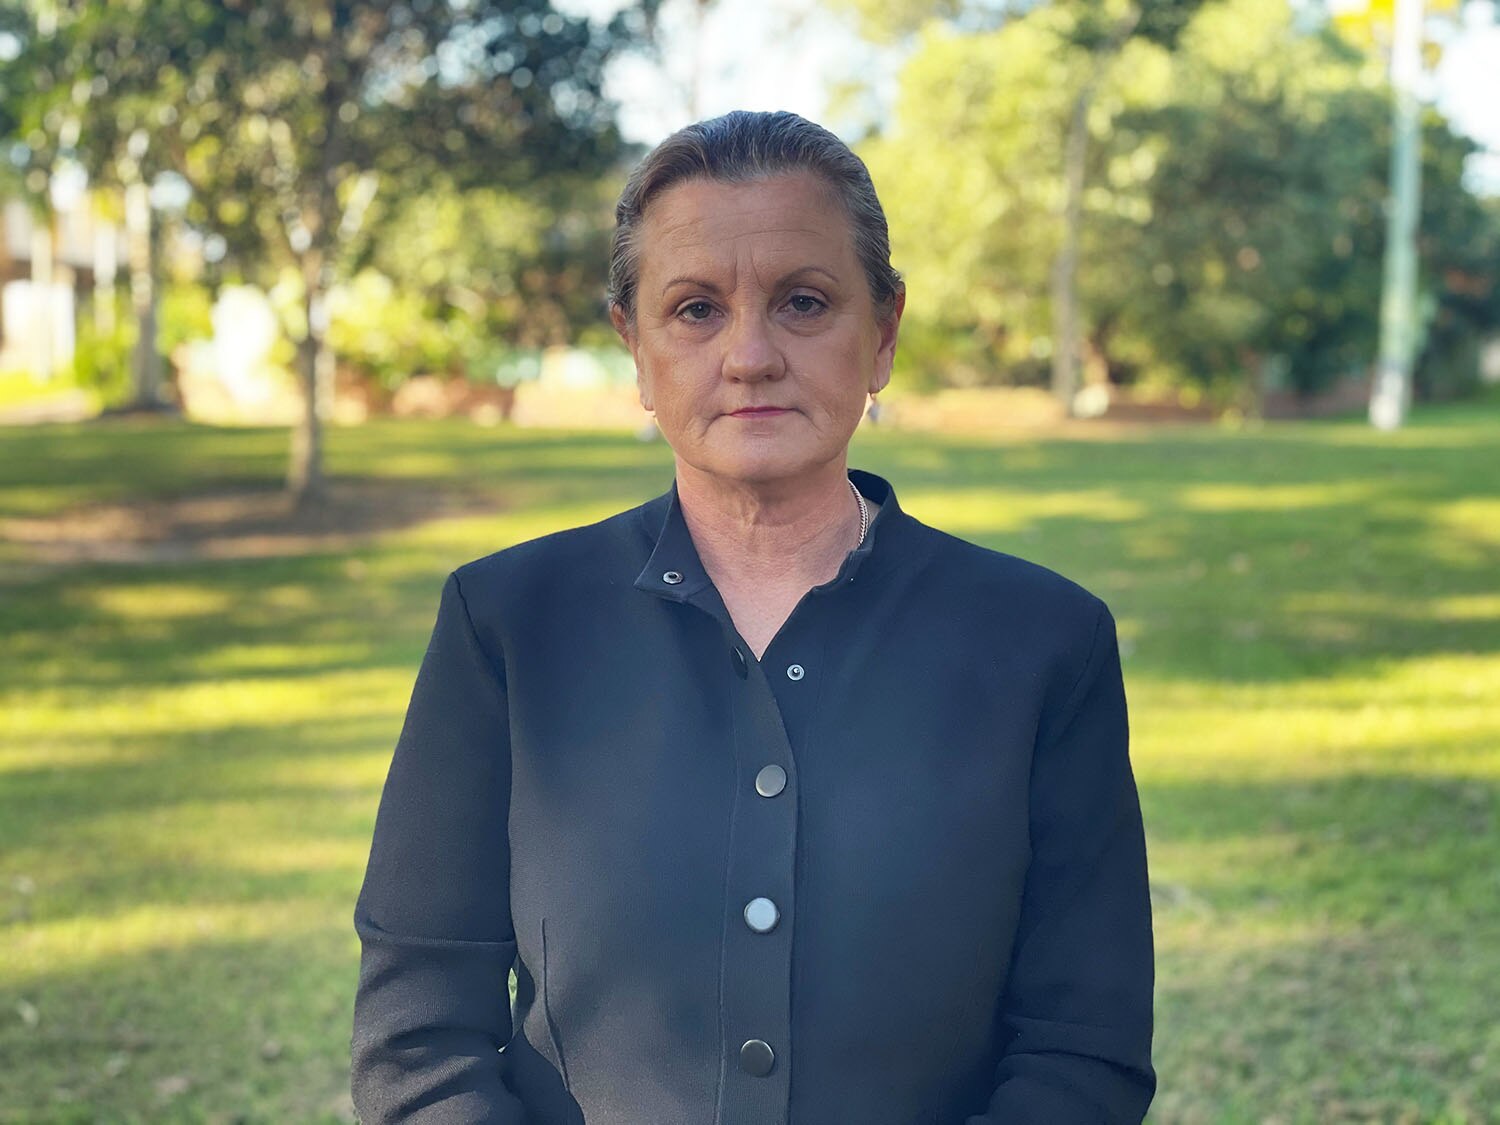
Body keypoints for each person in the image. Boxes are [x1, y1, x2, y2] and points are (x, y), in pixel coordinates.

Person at [351, 110, 1154, 1124]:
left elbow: (1084, 1050)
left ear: (884, 333)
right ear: (633, 348)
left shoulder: (1045, 643)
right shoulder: (507, 626)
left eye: (804, 302)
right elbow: (419, 1038)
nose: (751, 355)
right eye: (694, 310)